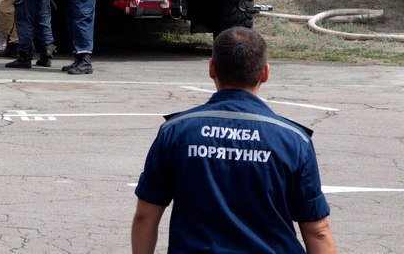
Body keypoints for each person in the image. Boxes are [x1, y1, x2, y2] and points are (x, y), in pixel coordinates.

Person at [132, 27, 336, 254]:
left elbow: (145, 216)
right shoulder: (293, 140)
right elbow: (318, 230)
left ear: (212, 68)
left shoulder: (176, 131)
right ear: (265, 73)